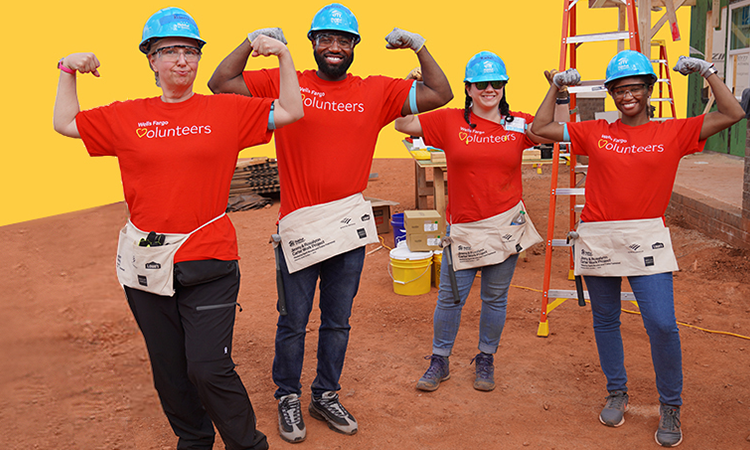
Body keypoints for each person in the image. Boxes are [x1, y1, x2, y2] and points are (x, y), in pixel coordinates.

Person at [53, 7, 303, 450]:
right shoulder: (128, 116)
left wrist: (282, 55)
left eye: (190, 51)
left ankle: (247, 444)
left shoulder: (226, 111)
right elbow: (66, 124)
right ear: (151, 59)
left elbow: (288, 111)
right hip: (145, 262)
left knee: (208, 366)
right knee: (168, 369)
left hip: (209, 257)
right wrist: (67, 70)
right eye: (170, 51)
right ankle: (193, 440)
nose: (182, 60)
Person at [208, 2, 452, 443]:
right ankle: (288, 395)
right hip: (300, 227)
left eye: (343, 40)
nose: (334, 47)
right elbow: (220, 82)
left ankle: (324, 394)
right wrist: (250, 41)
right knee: (293, 319)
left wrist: (419, 46)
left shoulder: (375, 91)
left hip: (345, 227)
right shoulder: (288, 83)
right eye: (326, 39)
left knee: (338, 320)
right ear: (313, 45)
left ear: (354, 47)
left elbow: (440, 93)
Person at [531, 50, 744, 447]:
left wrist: (708, 72)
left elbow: (732, 114)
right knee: (606, 320)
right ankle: (616, 390)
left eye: (635, 88)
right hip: (599, 235)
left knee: (662, 324)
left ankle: (671, 404)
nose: (627, 96)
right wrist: (556, 87)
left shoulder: (673, 132)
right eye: (619, 90)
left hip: (646, 236)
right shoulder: (595, 132)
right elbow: (539, 128)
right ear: (612, 94)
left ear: (649, 90)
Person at [395, 51, 556, 393]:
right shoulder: (450, 120)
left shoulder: (517, 123)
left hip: (505, 226)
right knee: (451, 299)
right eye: (481, 84)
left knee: (495, 300)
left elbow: (552, 132)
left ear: (503, 87)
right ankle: (440, 360)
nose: (489, 89)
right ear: (468, 88)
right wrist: (414, 88)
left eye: (495, 83)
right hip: (464, 228)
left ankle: (486, 357)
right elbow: (403, 124)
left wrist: (558, 92)